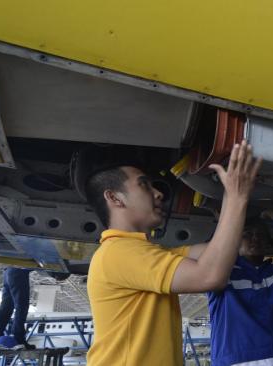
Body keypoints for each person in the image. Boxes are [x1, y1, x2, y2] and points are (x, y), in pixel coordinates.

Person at [81, 141, 262, 366]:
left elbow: (212, 254)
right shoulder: (118, 254)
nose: (158, 193)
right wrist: (236, 198)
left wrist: (229, 214)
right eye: (144, 185)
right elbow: (209, 275)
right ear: (115, 198)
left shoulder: (137, 253)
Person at [207, 211, 273, 366]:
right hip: (236, 360)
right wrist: (226, 221)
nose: (255, 238)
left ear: (269, 243)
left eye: (261, 235)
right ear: (235, 240)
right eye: (247, 234)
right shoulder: (223, 274)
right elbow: (209, 255)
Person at [0, 267, 35, 350]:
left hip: (7, 272)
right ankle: (19, 339)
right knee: (21, 306)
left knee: (5, 309)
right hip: (19, 272)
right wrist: (56, 274)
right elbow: (43, 259)